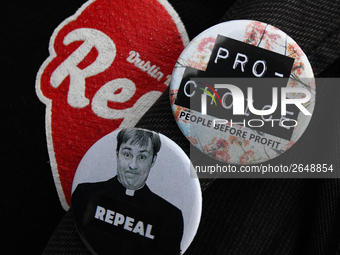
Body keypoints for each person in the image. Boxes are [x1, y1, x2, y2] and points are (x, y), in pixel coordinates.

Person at [71, 128, 184, 255]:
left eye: (142, 157)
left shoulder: (171, 217)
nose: (133, 165)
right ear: (117, 154)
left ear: (153, 160)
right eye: (127, 154)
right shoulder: (85, 194)